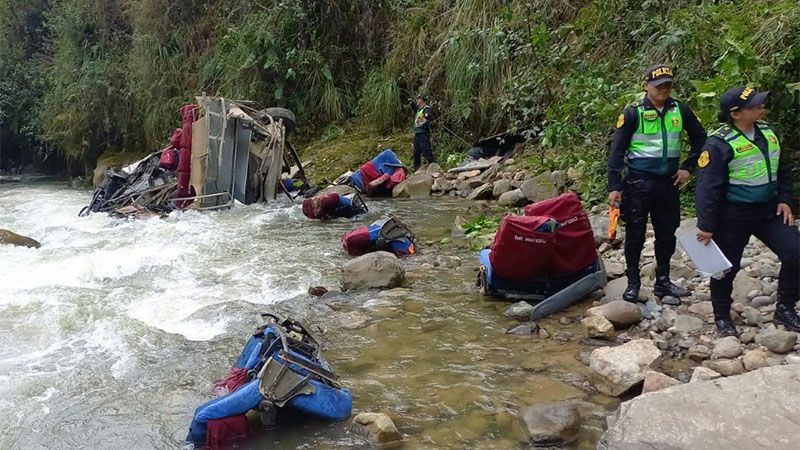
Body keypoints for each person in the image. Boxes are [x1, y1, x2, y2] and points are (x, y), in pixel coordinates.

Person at [695, 86, 799, 337]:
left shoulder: (769, 133)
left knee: (796, 252)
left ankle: (784, 308)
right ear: (736, 114)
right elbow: (707, 188)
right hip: (733, 215)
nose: (761, 107)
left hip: (769, 211)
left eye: (760, 103)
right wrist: (706, 225)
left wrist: (786, 199)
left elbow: (782, 168)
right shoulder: (719, 144)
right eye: (754, 106)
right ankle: (722, 316)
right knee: (726, 268)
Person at [608, 64, 707, 303]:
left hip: (668, 183)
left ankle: (663, 281)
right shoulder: (634, 112)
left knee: (666, 233)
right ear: (646, 86)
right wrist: (614, 187)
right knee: (635, 234)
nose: (663, 89)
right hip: (637, 183)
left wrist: (688, 167)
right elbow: (617, 150)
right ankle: (633, 282)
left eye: (667, 85)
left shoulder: (680, 110)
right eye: (658, 85)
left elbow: (700, 138)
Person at [410, 94, 435, 170]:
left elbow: (429, 120)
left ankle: (433, 166)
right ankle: (416, 168)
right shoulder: (419, 109)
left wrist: (425, 121)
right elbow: (415, 110)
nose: (417, 100)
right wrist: (411, 103)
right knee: (416, 152)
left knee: (426, 150)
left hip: (423, 133)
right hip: (417, 133)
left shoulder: (427, 109)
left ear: (422, 100)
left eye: (418, 99)